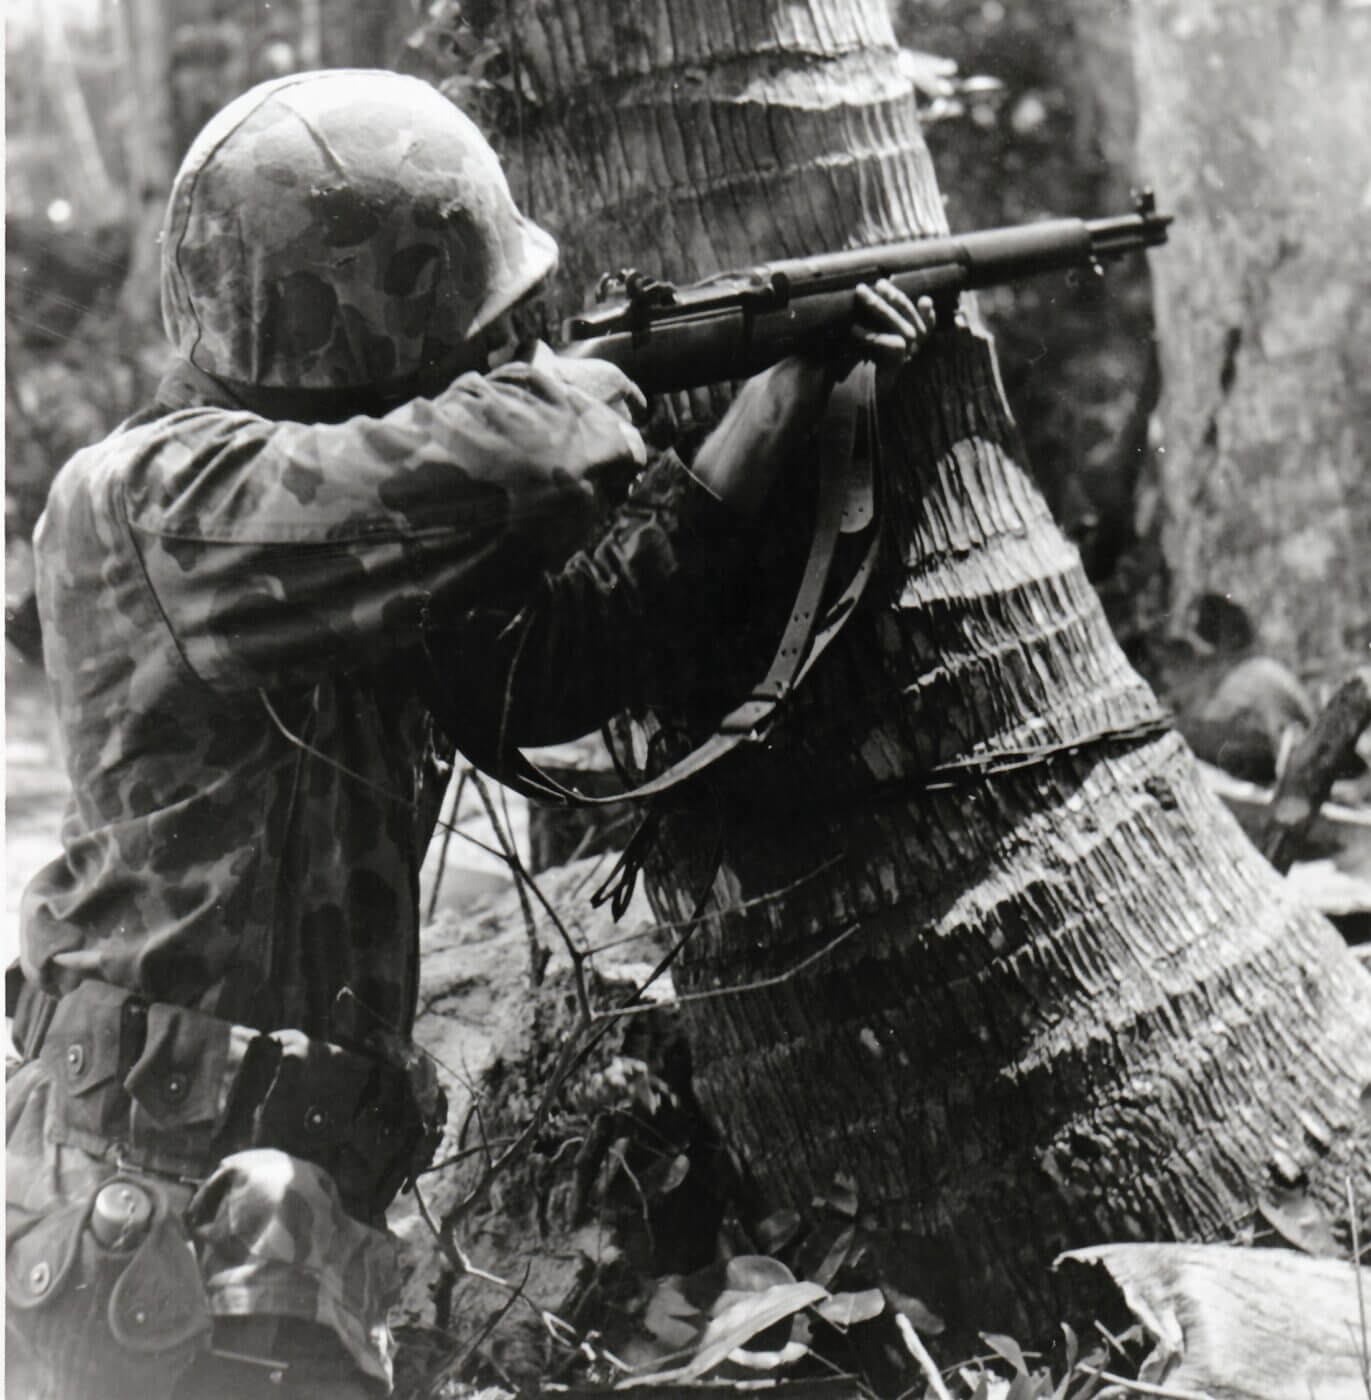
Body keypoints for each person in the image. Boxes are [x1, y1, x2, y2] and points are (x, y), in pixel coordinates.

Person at [5, 69, 934, 1399]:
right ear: (363, 322)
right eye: (466, 328)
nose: (492, 354)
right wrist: (607, 375)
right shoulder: (157, 498)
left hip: (284, 1218)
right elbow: (527, 459)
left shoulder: (331, 548)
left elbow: (546, 674)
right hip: (130, 1214)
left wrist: (767, 404)